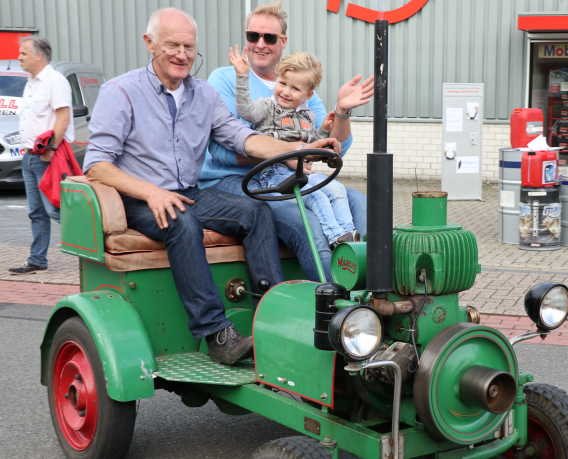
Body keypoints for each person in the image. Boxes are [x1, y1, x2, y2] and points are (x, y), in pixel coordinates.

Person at [83, 8, 340, 365]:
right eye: (172, 45)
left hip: (188, 192)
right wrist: (151, 192)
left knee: (256, 211)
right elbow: (96, 164)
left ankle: (272, 317)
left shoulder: (203, 94)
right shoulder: (121, 92)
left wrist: (298, 150)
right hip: (140, 197)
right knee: (182, 220)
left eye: (189, 47)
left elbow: (243, 139)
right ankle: (216, 333)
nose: (182, 55)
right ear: (149, 43)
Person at [199, 0, 373, 281]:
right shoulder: (226, 78)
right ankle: (339, 299)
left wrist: (341, 111)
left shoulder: (300, 88)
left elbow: (332, 148)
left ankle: (368, 281)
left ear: (283, 41)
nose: (260, 44)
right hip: (233, 178)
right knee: (306, 222)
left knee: (357, 200)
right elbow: (223, 149)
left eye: (269, 37)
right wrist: (289, 153)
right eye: (252, 36)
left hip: (289, 175)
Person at [230, 48, 359, 248]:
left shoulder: (309, 116)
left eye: (295, 89)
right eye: (282, 83)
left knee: (337, 189)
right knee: (316, 196)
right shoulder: (267, 107)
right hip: (275, 173)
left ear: (309, 94)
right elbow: (245, 110)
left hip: (303, 171)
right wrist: (242, 76)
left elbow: (311, 150)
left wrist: (324, 131)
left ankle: (349, 235)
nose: (286, 92)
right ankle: (335, 238)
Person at [8, 37, 72, 275]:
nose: (19, 57)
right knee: (36, 212)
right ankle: (37, 260)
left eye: (23, 53)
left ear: (39, 56)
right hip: (29, 157)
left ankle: (96, 250)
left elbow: (63, 119)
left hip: (47, 157)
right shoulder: (32, 82)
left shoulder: (55, 81)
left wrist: (51, 151)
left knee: (55, 209)